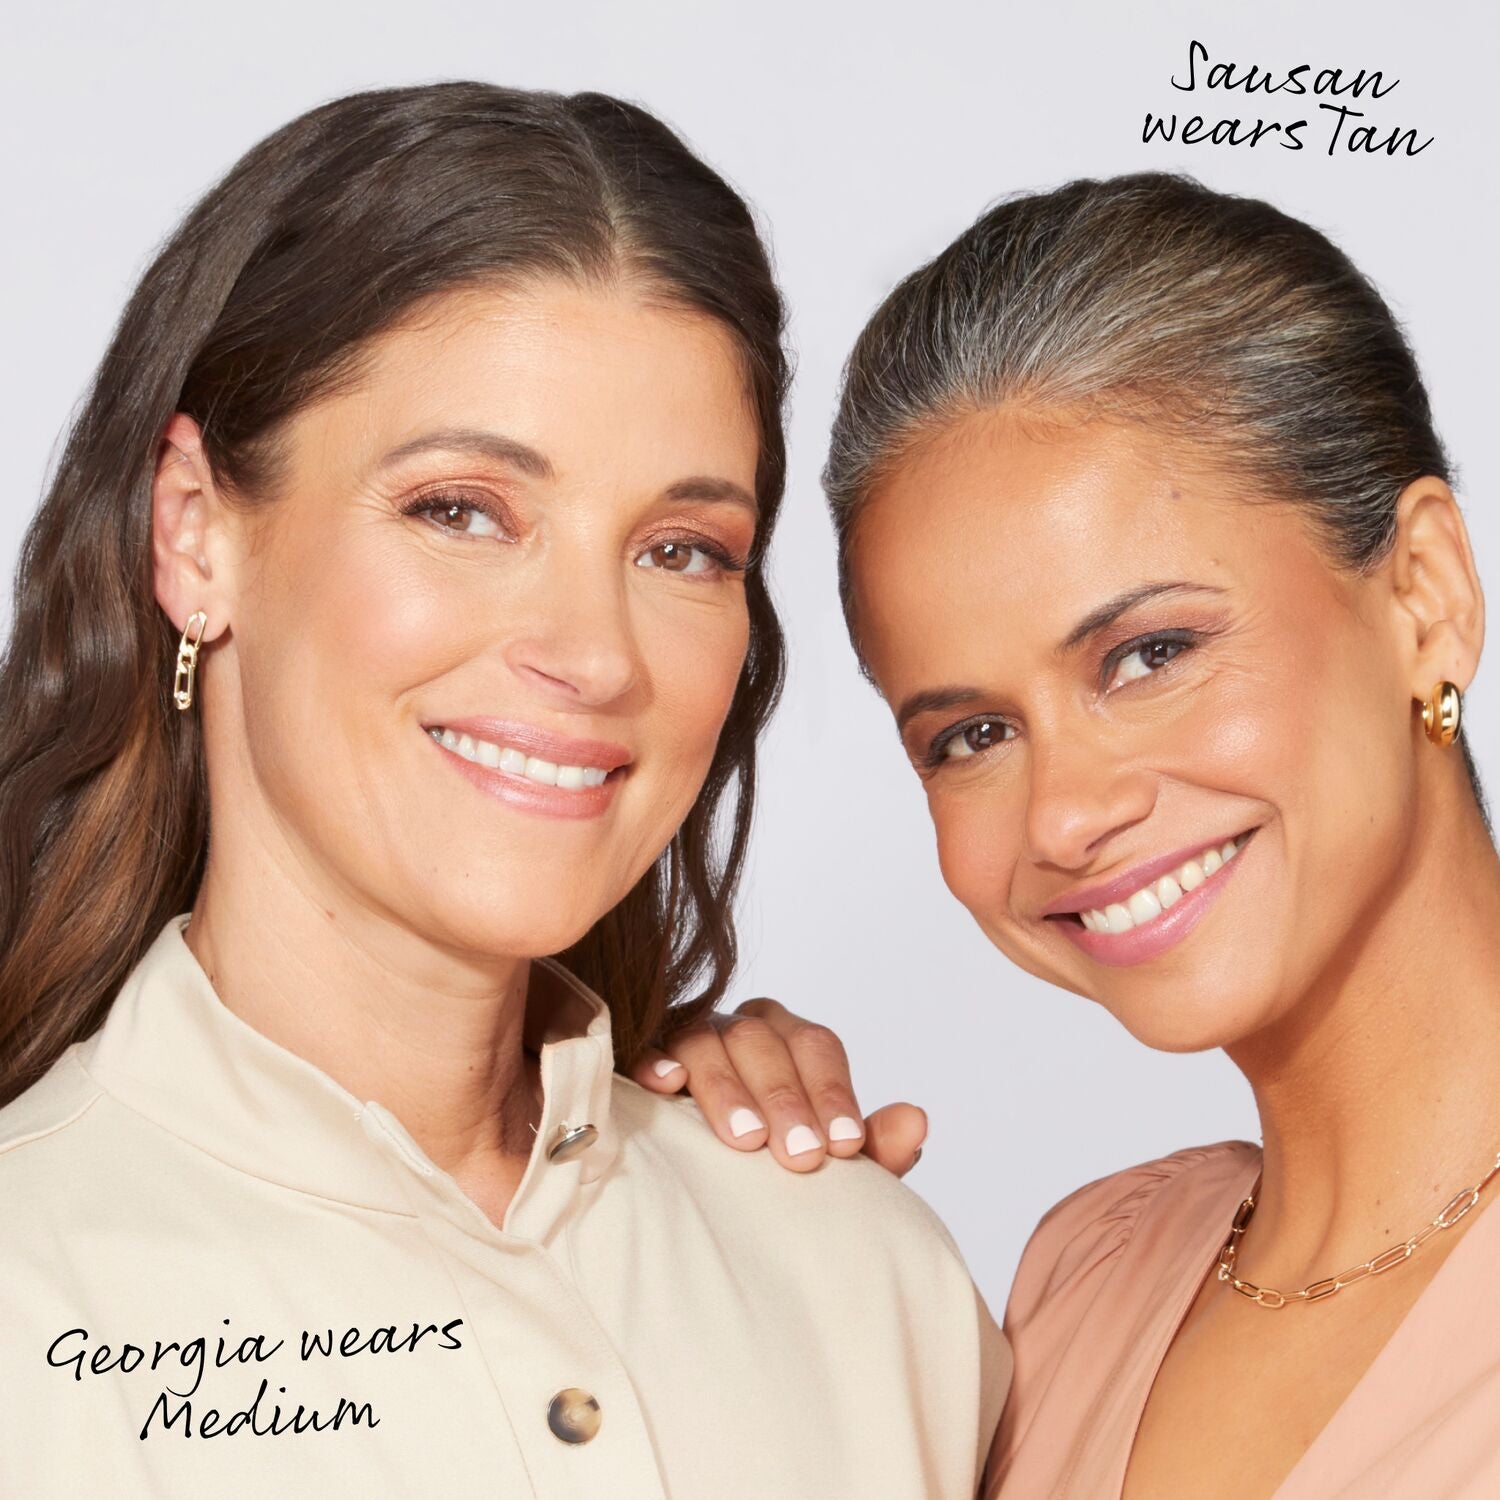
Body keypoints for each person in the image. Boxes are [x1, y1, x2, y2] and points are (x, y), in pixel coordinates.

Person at [0, 80, 1010, 1498]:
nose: (594, 657)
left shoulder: (864, 1281)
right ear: (195, 534)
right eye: (461, 510)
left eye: (681, 550)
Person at [663, 170, 1500, 1498]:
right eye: (970, 737)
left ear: (1424, 597)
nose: (1063, 814)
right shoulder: (1088, 1281)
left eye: (1151, 652)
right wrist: (682, 1208)